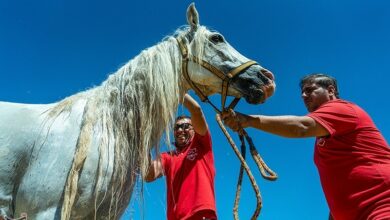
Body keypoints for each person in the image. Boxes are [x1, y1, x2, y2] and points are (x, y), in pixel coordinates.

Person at [222, 73, 390, 220]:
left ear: (330, 90)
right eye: (302, 92)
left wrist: (249, 120)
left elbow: (301, 127)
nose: (303, 95)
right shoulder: (325, 137)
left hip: (382, 206)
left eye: (310, 90)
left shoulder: (341, 108)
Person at [145, 94, 217, 220]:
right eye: (176, 127)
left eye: (185, 126)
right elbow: (148, 175)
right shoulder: (168, 157)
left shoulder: (201, 145)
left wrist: (177, 90)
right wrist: (144, 143)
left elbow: (196, 110)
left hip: (201, 215)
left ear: (194, 129)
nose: (180, 130)